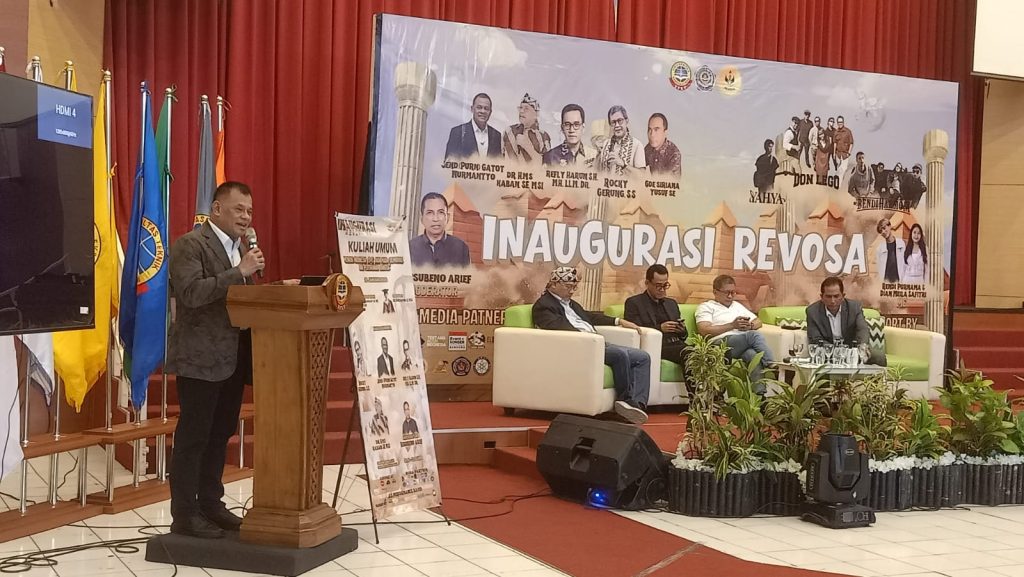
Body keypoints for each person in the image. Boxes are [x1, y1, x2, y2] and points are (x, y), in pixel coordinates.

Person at [166, 181, 265, 539]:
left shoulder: (241, 251)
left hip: (233, 359)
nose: (246, 217)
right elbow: (191, 293)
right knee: (194, 437)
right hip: (200, 360)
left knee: (220, 433)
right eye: (239, 209)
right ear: (217, 209)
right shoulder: (190, 245)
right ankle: (184, 514)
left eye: (249, 211)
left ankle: (211, 503)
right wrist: (239, 271)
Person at [533, 266, 650, 424]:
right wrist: (588, 338)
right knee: (619, 355)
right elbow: (557, 327)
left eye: (574, 287)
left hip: (596, 343)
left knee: (642, 357)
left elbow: (589, 317)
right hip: (580, 346)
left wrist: (619, 321)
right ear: (553, 284)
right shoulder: (544, 306)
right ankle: (625, 402)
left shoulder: (571, 304)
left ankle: (637, 405)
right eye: (568, 286)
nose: (572, 291)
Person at [695, 275, 773, 391]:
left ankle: (760, 396)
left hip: (740, 342)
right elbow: (704, 330)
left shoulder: (737, 306)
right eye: (727, 292)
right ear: (715, 292)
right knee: (753, 335)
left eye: (733, 292)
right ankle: (771, 365)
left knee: (753, 355)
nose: (730, 296)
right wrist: (732, 325)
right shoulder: (706, 307)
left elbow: (758, 321)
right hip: (719, 344)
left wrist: (750, 326)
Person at [806, 277, 885, 366]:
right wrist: (837, 351)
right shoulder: (812, 311)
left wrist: (862, 346)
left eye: (836, 296)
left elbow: (862, 330)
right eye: (828, 296)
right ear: (822, 297)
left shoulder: (854, 307)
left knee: (879, 357)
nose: (832, 301)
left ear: (843, 296)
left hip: (852, 350)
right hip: (828, 351)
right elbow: (816, 338)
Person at [624, 264, 688, 367]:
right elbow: (636, 331)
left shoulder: (671, 303)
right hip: (658, 346)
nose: (662, 289)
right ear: (647, 283)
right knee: (689, 353)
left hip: (677, 344)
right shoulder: (634, 303)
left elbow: (684, 336)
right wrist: (660, 328)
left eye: (665, 285)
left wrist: (682, 330)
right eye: (658, 286)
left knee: (705, 353)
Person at [409, 192, 470, 267]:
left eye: (441, 212)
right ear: (422, 219)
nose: (436, 219)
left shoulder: (461, 248)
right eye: (430, 213)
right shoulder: (409, 248)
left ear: (447, 217)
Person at [445, 92, 502, 159]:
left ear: (490, 112)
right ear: (472, 109)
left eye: (486, 108)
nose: (483, 111)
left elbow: (499, 162)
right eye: (479, 107)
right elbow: (449, 162)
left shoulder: (496, 136)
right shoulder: (458, 132)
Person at [596, 105, 646, 175]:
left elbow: (642, 176)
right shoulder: (605, 144)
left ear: (626, 121)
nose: (617, 125)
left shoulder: (637, 145)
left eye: (620, 121)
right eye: (613, 122)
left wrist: (623, 164)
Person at [502, 93, 550, 164]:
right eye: (520, 108)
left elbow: (546, 165)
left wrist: (527, 147)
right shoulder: (508, 131)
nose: (521, 111)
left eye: (526, 108)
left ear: (536, 113)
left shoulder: (544, 136)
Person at [644, 113, 681, 178]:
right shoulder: (648, 148)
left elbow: (670, 182)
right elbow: (638, 166)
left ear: (665, 133)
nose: (652, 134)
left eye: (656, 130)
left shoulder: (673, 154)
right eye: (649, 129)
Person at [875, 217, 906, 283]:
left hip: (899, 282)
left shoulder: (901, 243)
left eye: (884, 228)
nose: (883, 232)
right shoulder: (879, 249)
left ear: (889, 226)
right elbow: (879, 269)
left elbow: (905, 264)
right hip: (886, 283)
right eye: (880, 231)